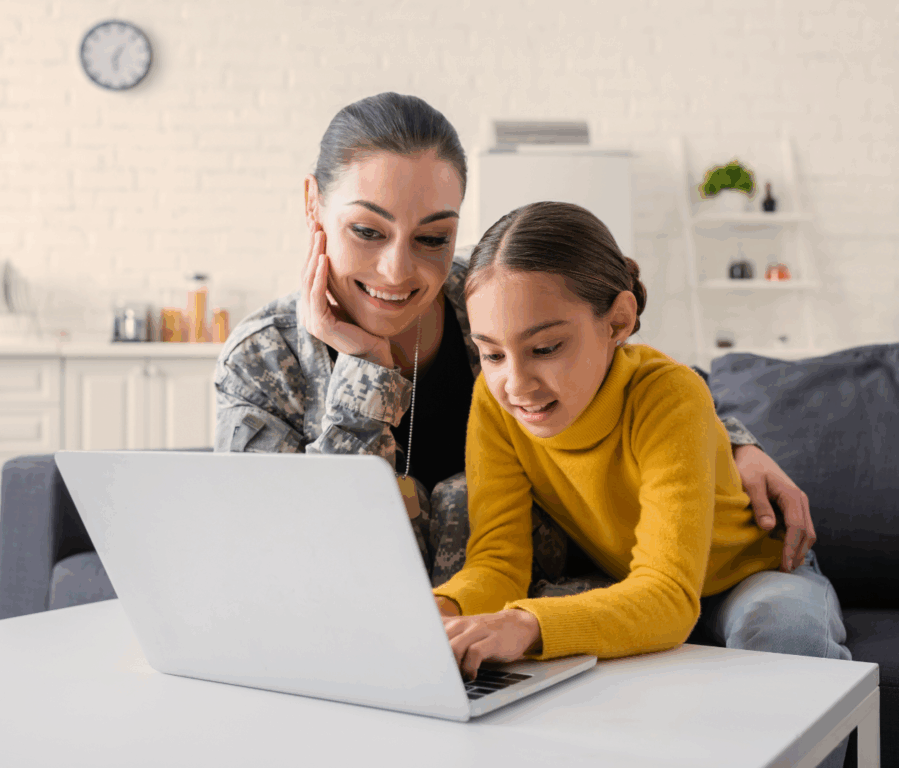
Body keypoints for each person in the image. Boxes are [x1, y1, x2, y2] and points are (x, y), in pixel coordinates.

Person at [212, 91, 816, 591]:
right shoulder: (262, 362)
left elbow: (625, 372)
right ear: (314, 204)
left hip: (540, 615)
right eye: (367, 230)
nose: (398, 271)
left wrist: (735, 445)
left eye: (432, 238)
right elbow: (288, 554)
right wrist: (366, 370)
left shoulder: (490, 298)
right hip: (362, 630)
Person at [431, 201, 850, 768]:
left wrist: (525, 625)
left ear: (618, 321)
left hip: (752, 572)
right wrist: (437, 610)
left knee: (779, 628)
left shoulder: (667, 394)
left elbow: (670, 597)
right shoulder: (494, 402)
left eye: (546, 348)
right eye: (492, 353)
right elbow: (499, 563)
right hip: (650, 587)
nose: (516, 382)